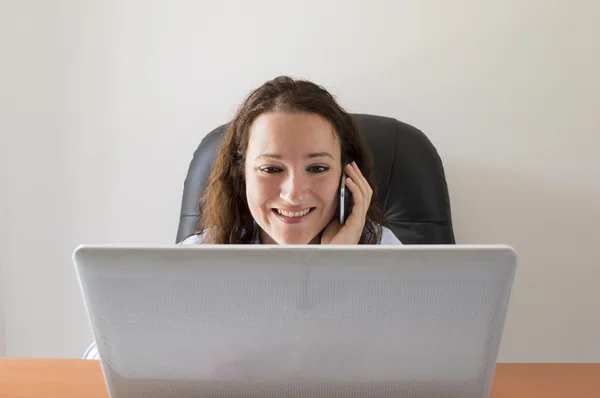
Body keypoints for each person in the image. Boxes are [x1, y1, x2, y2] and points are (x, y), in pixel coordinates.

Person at [83, 76, 401, 360]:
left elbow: (427, 360)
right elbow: (100, 358)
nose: (293, 194)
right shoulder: (202, 255)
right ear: (241, 174)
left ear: (347, 175)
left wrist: (336, 268)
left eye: (317, 168)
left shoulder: (384, 250)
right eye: (271, 169)